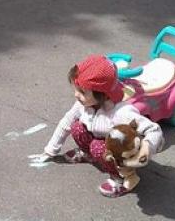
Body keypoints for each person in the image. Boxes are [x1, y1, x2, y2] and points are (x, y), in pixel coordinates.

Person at [42, 54, 164, 197]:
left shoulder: (122, 112)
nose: (76, 95)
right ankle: (88, 155)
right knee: (77, 128)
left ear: (103, 94)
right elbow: (66, 122)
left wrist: (147, 148)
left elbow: (154, 130)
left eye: (82, 92)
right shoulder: (84, 104)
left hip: (121, 152)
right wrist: (51, 150)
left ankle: (121, 178)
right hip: (101, 141)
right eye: (75, 89)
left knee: (97, 146)